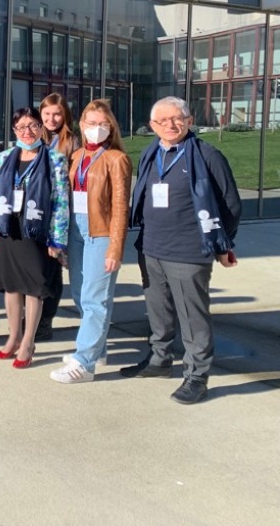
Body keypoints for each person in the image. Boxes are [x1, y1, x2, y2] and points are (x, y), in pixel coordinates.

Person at [119, 96, 241, 404]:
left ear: (189, 120)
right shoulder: (151, 153)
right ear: (152, 126)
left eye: (178, 118)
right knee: (158, 312)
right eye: (163, 121)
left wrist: (222, 242)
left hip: (188, 251)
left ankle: (196, 375)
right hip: (151, 248)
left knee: (192, 316)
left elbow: (231, 204)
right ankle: (159, 360)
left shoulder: (206, 155)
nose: (171, 125)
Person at [49, 100, 131, 384]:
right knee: (80, 295)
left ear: (111, 128)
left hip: (101, 232)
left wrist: (115, 247)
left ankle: (84, 363)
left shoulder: (116, 159)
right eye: (91, 124)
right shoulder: (76, 155)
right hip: (76, 230)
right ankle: (98, 348)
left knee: (96, 298)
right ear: (81, 126)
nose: (96, 129)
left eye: (102, 124)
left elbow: (121, 207)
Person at [0, 107, 69, 369]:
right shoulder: (4, 157)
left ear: (41, 128)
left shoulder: (54, 159)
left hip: (37, 231)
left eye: (32, 126)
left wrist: (57, 240)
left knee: (33, 289)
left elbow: (61, 201)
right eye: (21, 127)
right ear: (14, 130)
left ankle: (28, 342)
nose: (27, 132)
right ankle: (13, 336)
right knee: (11, 287)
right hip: (8, 229)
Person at [36, 92, 80, 342]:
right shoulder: (33, 137)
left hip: (57, 215)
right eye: (47, 114)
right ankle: (31, 315)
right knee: (33, 267)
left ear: (65, 116)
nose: (52, 119)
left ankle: (45, 320)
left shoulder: (71, 143)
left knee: (52, 270)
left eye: (57, 114)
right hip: (33, 213)